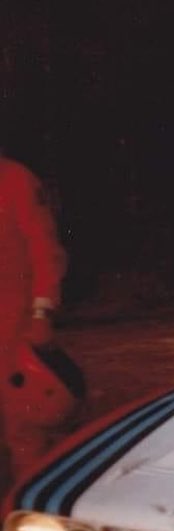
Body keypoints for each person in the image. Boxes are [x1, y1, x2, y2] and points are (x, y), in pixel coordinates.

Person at [0, 144, 73, 486]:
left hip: (14, 328)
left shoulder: (15, 179)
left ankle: (28, 515)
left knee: (26, 432)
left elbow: (45, 250)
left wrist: (42, 310)